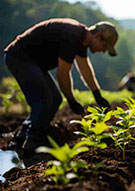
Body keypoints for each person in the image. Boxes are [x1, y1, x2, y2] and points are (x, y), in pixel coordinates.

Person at [4, 18, 118, 152]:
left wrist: (97, 94)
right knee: (44, 100)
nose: (103, 51)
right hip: (20, 57)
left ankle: (22, 137)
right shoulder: (72, 35)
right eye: (104, 47)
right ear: (98, 37)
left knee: (55, 99)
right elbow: (62, 74)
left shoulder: (82, 40)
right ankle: (32, 142)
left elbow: (85, 69)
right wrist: (71, 100)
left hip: (35, 64)